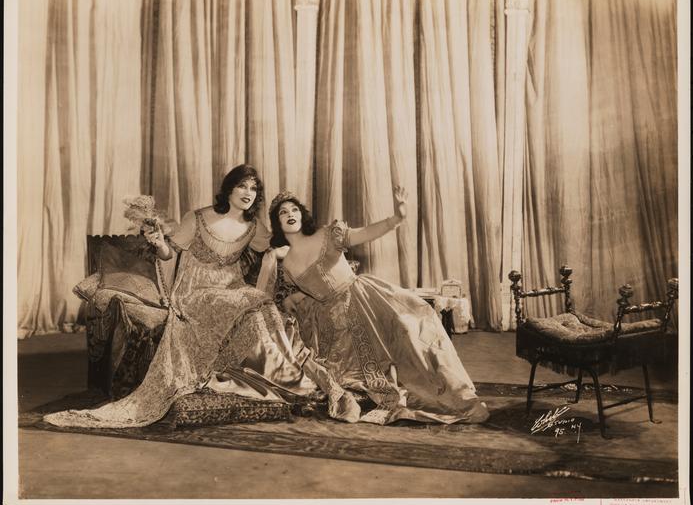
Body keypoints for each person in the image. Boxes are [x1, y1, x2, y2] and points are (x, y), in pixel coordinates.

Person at [44, 164, 320, 428]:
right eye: (242, 186)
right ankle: (292, 384)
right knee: (253, 301)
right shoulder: (197, 217)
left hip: (233, 289)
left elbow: (276, 244)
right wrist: (159, 243)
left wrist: (300, 244)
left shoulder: (254, 227)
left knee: (264, 310)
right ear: (229, 190)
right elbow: (169, 254)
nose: (248, 193)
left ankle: (291, 382)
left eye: (253, 188)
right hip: (194, 291)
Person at [258, 188, 490, 425]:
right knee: (346, 377)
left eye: (294, 209)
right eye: (283, 212)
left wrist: (396, 218)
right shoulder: (287, 262)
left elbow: (365, 233)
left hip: (362, 300)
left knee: (410, 331)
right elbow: (309, 288)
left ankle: (455, 395)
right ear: (278, 223)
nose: (290, 214)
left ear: (302, 214)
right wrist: (292, 298)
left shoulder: (327, 233)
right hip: (332, 322)